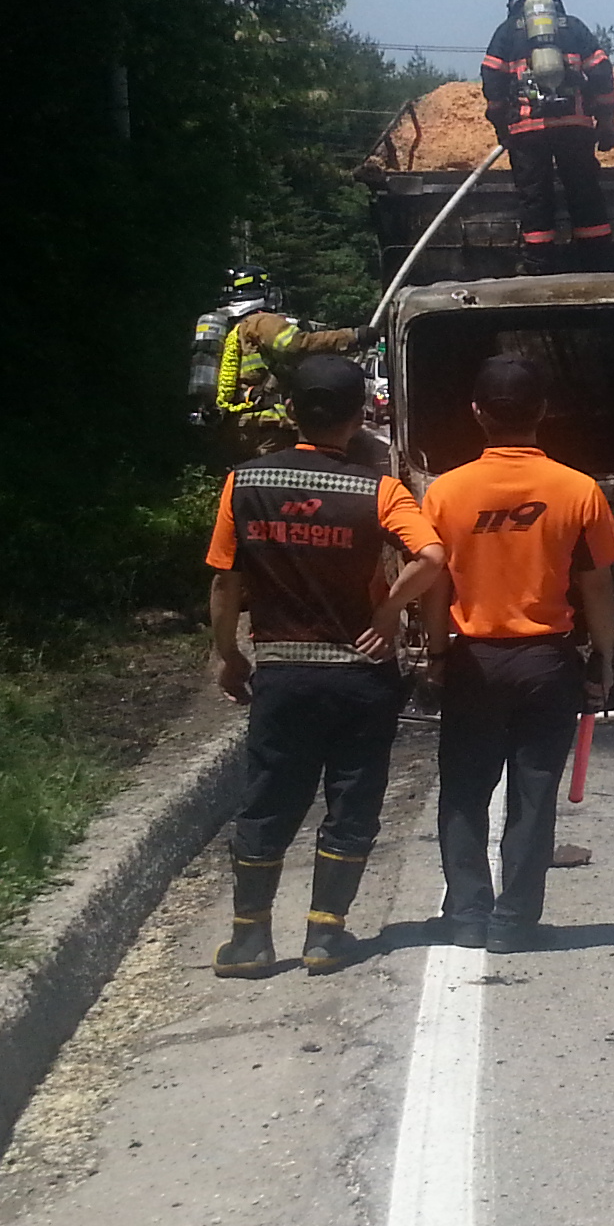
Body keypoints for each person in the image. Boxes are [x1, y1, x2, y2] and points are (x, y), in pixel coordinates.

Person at [204, 355, 448, 978]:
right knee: (352, 800)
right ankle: (325, 934)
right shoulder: (379, 491)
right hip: (361, 676)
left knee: (268, 800)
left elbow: (226, 582)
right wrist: (389, 611)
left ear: (289, 411)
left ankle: (250, 940)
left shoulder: (243, 483)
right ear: (360, 415)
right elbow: (431, 555)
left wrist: (229, 654)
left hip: (282, 674)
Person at [419, 355, 614, 952]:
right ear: (543, 411)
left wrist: (437, 656)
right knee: (534, 794)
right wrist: (604, 657)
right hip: (547, 662)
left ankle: (466, 916)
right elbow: (597, 585)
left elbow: (434, 586)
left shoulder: (445, 493)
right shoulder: (578, 490)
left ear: (477, 413)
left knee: (464, 789)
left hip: (473, 661)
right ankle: (512, 923)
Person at [479, 0, 614, 275]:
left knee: (535, 196)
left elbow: (492, 76)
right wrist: (606, 120)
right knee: (584, 191)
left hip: (527, 129)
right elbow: (600, 70)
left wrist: (501, 124)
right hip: (575, 126)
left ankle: (539, 263)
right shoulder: (574, 27)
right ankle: (598, 262)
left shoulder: (507, 32)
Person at [198, 272, 365, 458]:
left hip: (237, 426)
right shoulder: (261, 321)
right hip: (267, 426)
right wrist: (353, 337)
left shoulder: (232, 328)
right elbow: (297, 346)